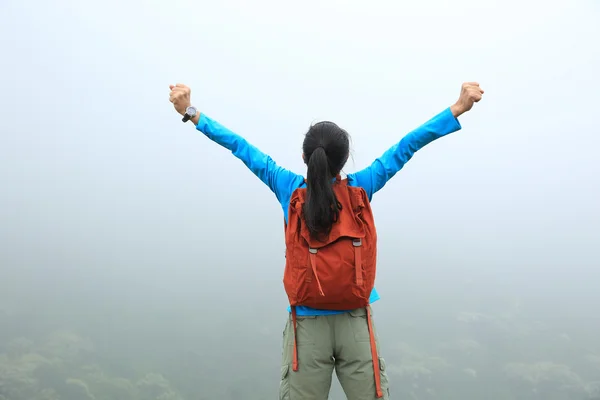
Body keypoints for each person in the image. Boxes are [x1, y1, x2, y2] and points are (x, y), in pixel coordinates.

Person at [168, 82, 484, 400]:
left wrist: (191, 112)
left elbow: (240, 147)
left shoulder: (288, 189)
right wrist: (455, 109)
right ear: (344, 160)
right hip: (355, 320)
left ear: (305, 156)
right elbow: (407, 146)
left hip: (306, 324)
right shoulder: (362, 188)